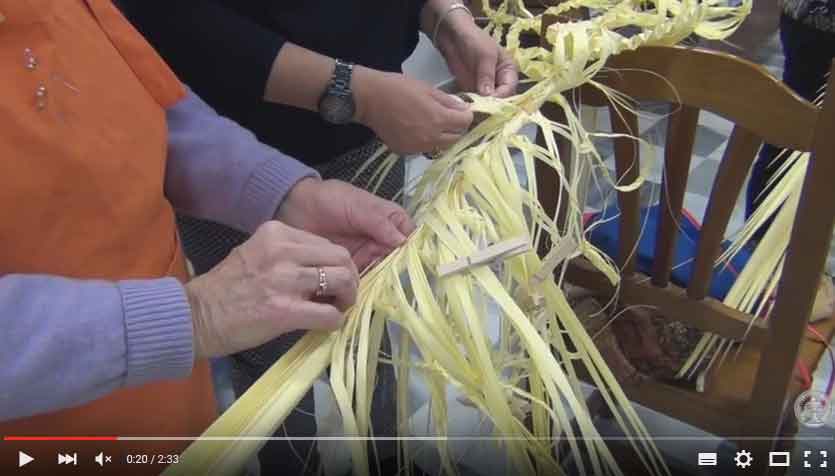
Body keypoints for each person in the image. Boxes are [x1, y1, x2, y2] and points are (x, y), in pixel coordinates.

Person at [0, 1, 413, 474]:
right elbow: (193, 30)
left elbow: (153, 105)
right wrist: (195, 315)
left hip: (171, 400)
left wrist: (284, 192)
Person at [118, 1, 519, 473]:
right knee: (270, 356)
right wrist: (355, 93)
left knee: (370, 323)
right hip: (226, 154)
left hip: (367, 136)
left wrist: (447, 20)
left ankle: (383, 456)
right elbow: (175, 26)